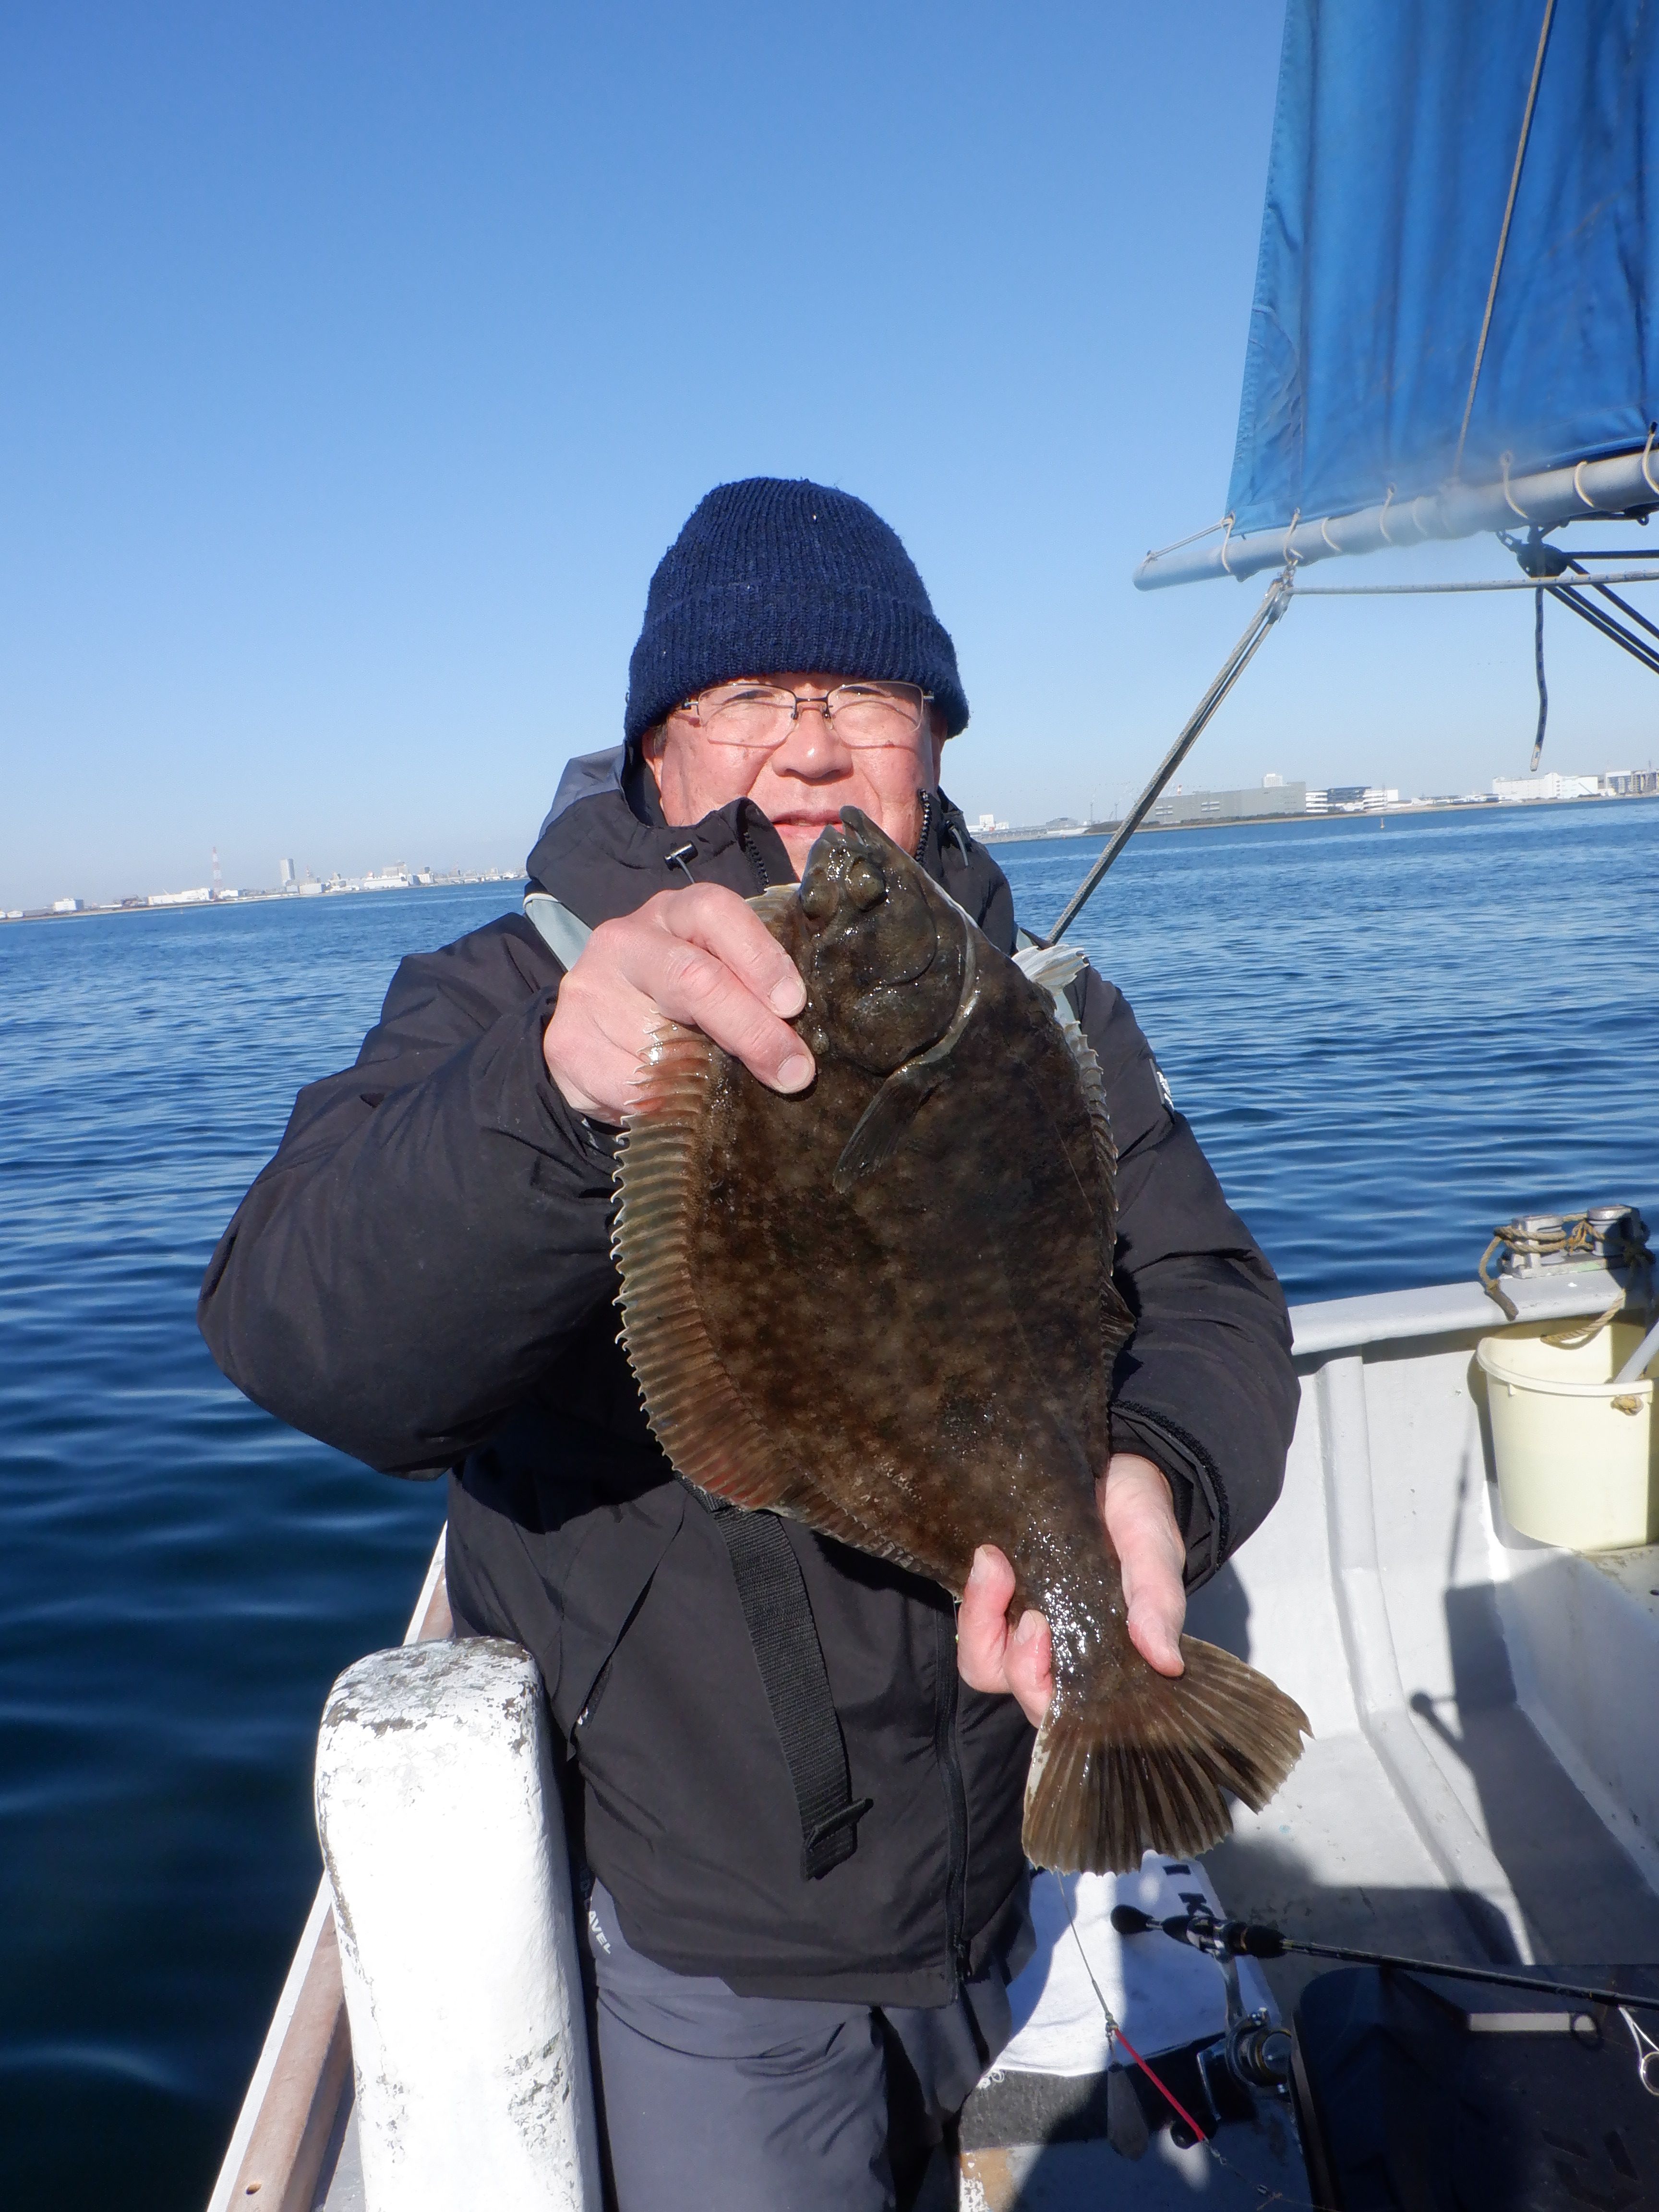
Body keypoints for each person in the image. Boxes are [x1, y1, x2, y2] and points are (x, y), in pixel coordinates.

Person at [200, 477, 1298, 2209]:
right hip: (710, 1926)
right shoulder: (504, 1001)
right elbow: (300, 1334)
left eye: (863, 694)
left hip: (1004, 1856)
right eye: (746, 699)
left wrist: (1156, 1471)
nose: (810, 746)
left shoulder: (1049, 1012)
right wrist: (559, 1094)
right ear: (657, 750)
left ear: (933, 741)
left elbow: (1210, 1297)